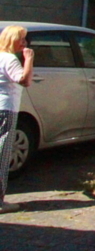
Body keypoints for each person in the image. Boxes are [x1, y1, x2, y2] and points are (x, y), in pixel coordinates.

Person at [0, 25, 34, 214]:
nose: (25, 43)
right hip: (5, 109)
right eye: (21, 39)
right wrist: (29, 60)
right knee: (3, 154)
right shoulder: (10, 59)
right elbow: (24, 80)